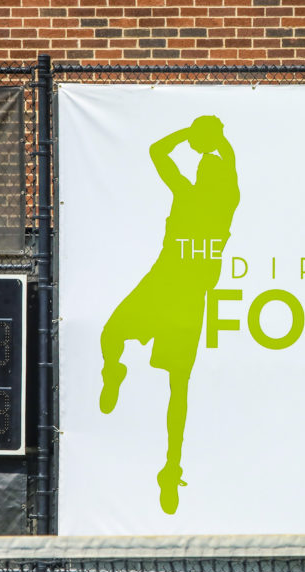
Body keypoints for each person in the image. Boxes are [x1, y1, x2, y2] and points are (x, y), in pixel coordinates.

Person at [99, 115, 240, 515]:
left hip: (184, 297)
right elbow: (159, 152)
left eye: (206, 166)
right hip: (164, 286)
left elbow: (162, 150)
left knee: (178, 388)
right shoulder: (201, 196)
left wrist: (204, 137)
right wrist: (208, 138)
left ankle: (171, 467)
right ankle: (115, 372)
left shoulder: (209, 200)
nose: (202, 168)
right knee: (112, 335)